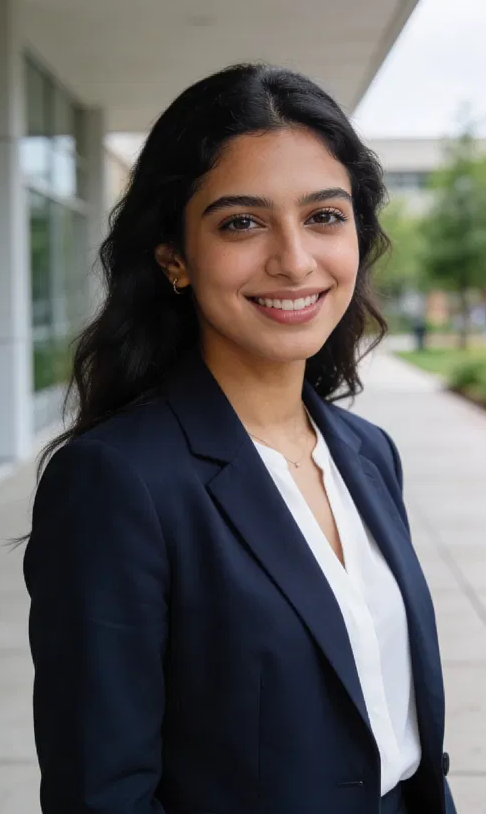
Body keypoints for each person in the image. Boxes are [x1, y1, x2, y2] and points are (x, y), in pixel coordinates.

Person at [23, 64, 457, 814]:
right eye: (242, 223)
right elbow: (102, 793)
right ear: (173, 257)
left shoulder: (367, 453)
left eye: (324, 216)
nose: (294, 259)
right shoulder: (117, 482)